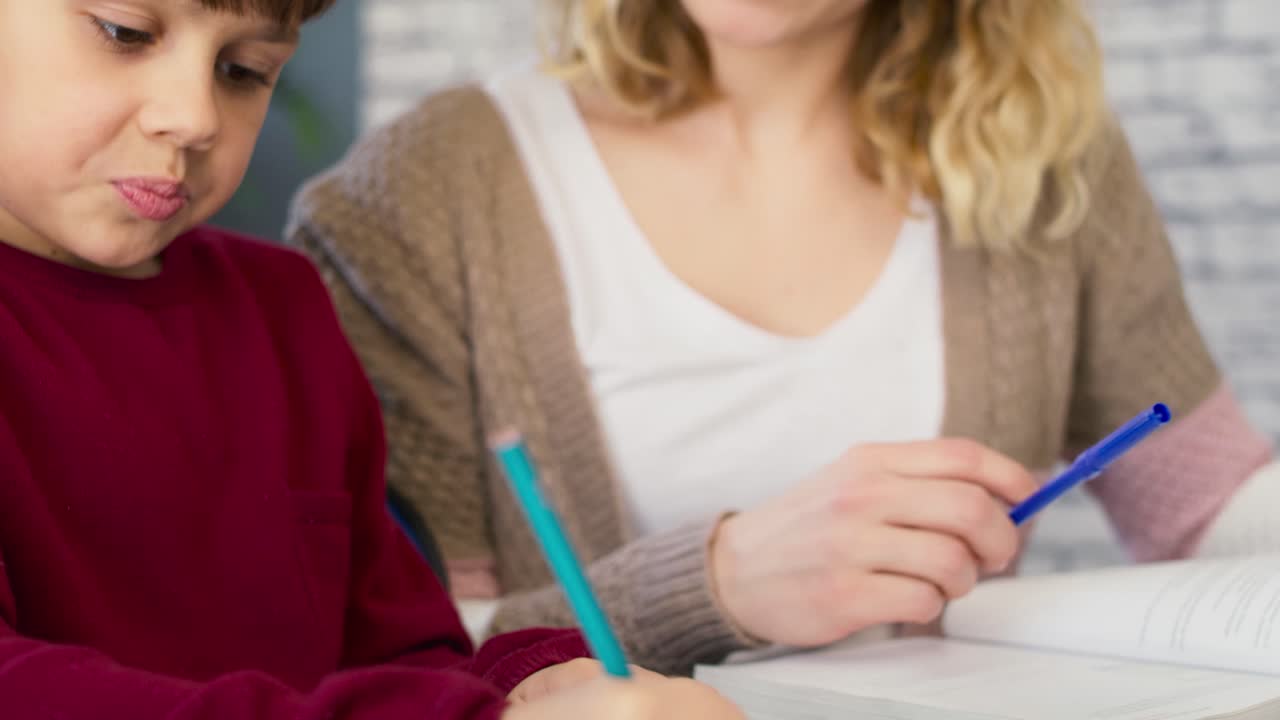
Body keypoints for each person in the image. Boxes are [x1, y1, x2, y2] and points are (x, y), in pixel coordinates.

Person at [286, 0, 1277, 676]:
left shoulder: (1036, 155)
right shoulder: (419, 203)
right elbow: (415, 668)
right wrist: (714, 586)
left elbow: (1209, 504)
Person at [0, 1, 747, 718]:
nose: (195, 117)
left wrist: (539, 679)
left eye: (245, 70)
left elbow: (402, 655)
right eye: (124, 33)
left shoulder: (281, 308)